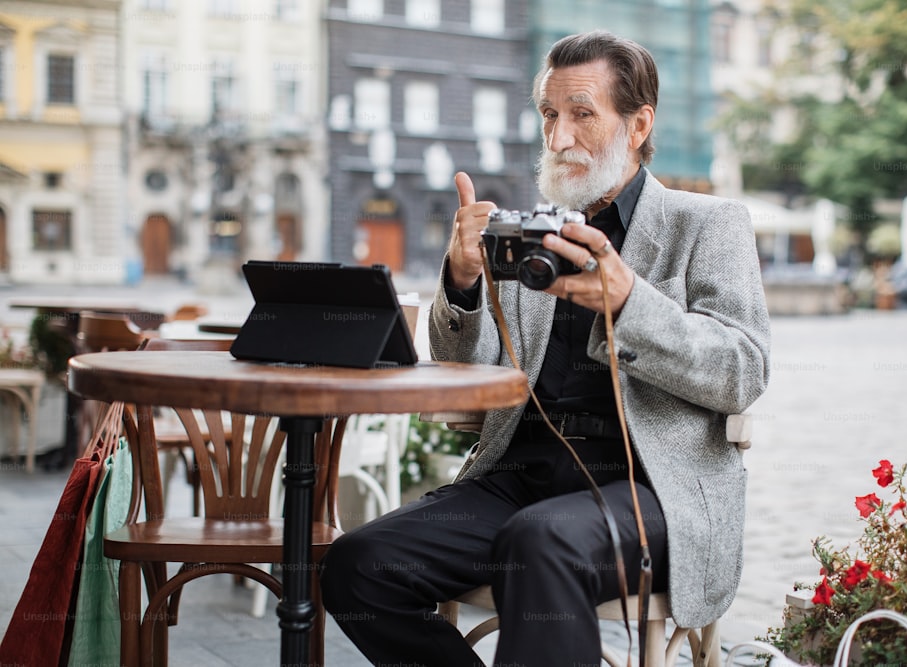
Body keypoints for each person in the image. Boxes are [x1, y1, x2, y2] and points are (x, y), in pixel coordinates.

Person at [321, 30, 771, 666]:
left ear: (639, 124)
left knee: (540, 540)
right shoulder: (534, 233)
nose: (559, 138)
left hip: (652, 488)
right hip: (519, 475)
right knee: (360, 562)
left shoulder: (707, 225)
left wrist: (629, 303)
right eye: (550, 116)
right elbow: (465, 367)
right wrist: (463, 279)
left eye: (582, 115)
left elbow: (742, 371)